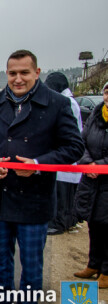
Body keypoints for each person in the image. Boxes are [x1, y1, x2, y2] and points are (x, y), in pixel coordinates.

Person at [0, 50, 84, 302]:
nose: (18, 79)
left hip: (34, 200)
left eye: (24, 73)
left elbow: (74, 147)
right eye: (13, 73)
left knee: (31, 268)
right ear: (6, 73)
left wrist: (39, 164)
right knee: (1, 265)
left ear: (37, 73)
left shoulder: (57, 103)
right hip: (0, 196)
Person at [73, 81, 108, 288]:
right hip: (91, 181)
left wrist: (101, 165)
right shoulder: (96, 115)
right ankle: (93, 264)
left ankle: (106, 270)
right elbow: (82, 141)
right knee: (93, 224)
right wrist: (88, 163)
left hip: (105, 181)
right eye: (106, 92)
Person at [44, 72, 83, 235]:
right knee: (62, 193)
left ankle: (61, 223)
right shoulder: (65, 100)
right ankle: (65, 221)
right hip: (60, 156)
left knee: (64, 195)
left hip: (65, 155)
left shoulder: (68, 102)